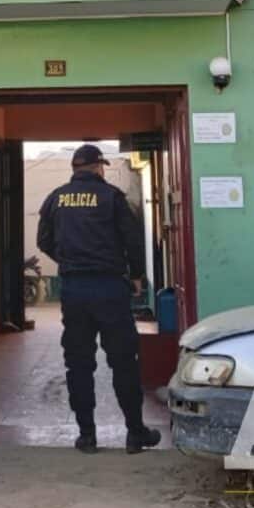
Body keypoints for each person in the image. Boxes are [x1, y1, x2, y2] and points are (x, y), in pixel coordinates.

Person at [36, 143, 162, 455]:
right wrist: (135, 276)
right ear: (98, 166)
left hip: (74, 289)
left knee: (78, 364)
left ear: (75, 168)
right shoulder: (112, 198)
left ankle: (87, 435)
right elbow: (132, 240)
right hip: (109, 288)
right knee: (123, 362)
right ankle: (135, 433)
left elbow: (43, 241)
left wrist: (68, 260)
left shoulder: (56, 198)